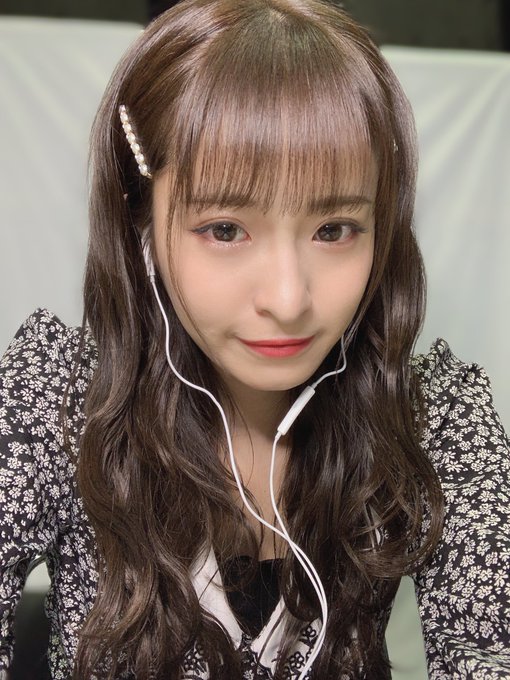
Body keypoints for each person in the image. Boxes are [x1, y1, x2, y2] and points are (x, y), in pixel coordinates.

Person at [0, 1, 509, 678]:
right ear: (140, 224)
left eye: (334, 230)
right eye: (225, 230)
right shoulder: (61, 400)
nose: (289, 300)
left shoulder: (429, 414)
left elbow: (491, 646)